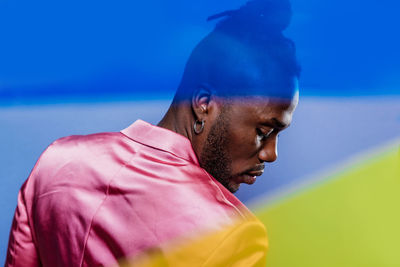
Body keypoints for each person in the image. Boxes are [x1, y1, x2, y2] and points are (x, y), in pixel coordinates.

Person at [5, 0, 300, 266]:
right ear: (204, 104)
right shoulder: (231, 235)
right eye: (264, 131)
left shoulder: (55, 162)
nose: (271, 154)